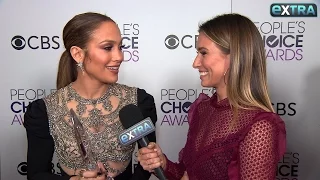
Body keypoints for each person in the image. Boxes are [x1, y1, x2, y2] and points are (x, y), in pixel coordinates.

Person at [137, 13, 286, 180]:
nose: (195, 63)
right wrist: (163, 164)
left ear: (234, 57)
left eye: (203, 53)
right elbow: (188, 175)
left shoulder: (259, 126)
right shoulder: (203, 109)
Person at [23, 12, 157, 180]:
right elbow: (36, 175)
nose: (119, 57)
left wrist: (151, 162)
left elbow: (148, 161)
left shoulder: (138, 102)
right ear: (78, 54)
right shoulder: (44, 111)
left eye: (120, 47)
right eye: (108, 47)